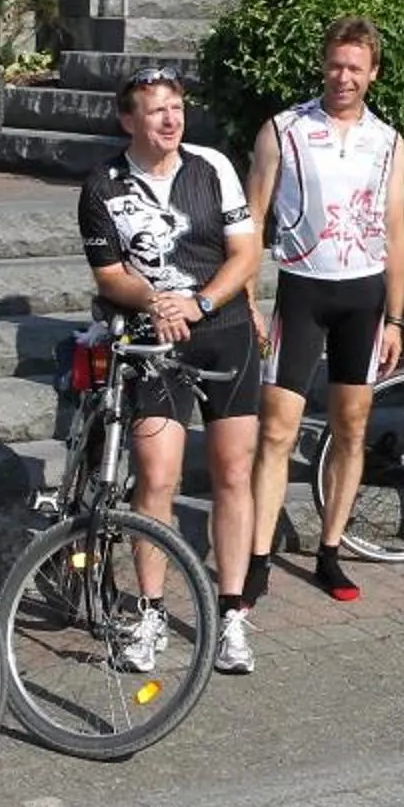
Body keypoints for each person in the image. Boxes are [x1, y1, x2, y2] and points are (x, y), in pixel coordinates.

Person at [78, 68, 266, 673]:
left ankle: (233, 612)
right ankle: (152, 612)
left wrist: (202, 301)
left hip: (223, 331)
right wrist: (155, 301)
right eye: (156, 110)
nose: (170, 119)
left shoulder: (212, 166)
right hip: (151, 338)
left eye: (177, 107)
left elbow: (245, 252)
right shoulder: (102, 185)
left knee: (233, 471)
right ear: (128, 120)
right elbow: (109, 277)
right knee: (157, 476)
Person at [244, 18, 404, 604]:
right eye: (336, 65)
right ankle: (258, 558)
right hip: (303, 291)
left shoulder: (388, 142)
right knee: (277, 431)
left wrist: (395, 317)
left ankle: (330, 552)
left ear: (372, 74)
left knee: (352, 427)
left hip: (362, 298)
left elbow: (395, 228)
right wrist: (247, 299)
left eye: (355, 68)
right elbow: (251, 219)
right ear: (323, 64)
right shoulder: (284, 130)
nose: (344, 77)